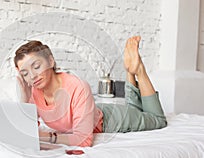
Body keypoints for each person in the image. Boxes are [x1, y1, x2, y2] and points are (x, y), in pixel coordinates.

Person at [14, 36, 167, 147]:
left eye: (36, 66)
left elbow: (83, 140)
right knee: (134, 109)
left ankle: (138, 70)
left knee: (157, 120)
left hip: (110, 121)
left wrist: (46, 137)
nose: (32, 76)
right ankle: (129, 71)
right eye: (25, 73)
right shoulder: (35, 90)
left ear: (50, 61)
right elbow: (28, 131)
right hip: (89, 112)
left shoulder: (77, 86)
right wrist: (24, 98)